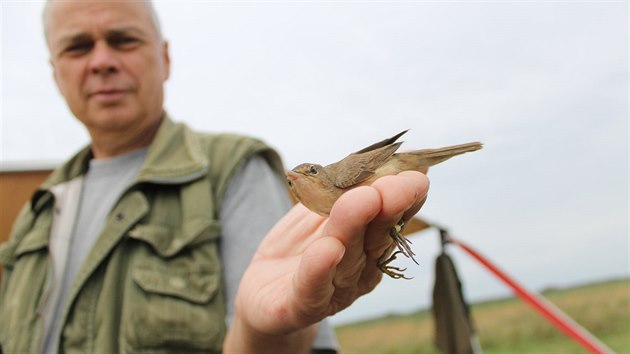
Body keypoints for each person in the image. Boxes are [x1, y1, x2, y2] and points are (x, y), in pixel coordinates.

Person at [0, 1, 430, 353]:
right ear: (55, 71)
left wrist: (262, 331)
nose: (102, 61)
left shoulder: (235, 168)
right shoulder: (39, 207)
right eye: (77, 47)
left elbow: (290, 318)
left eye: (122, 39)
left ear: (165, 58)